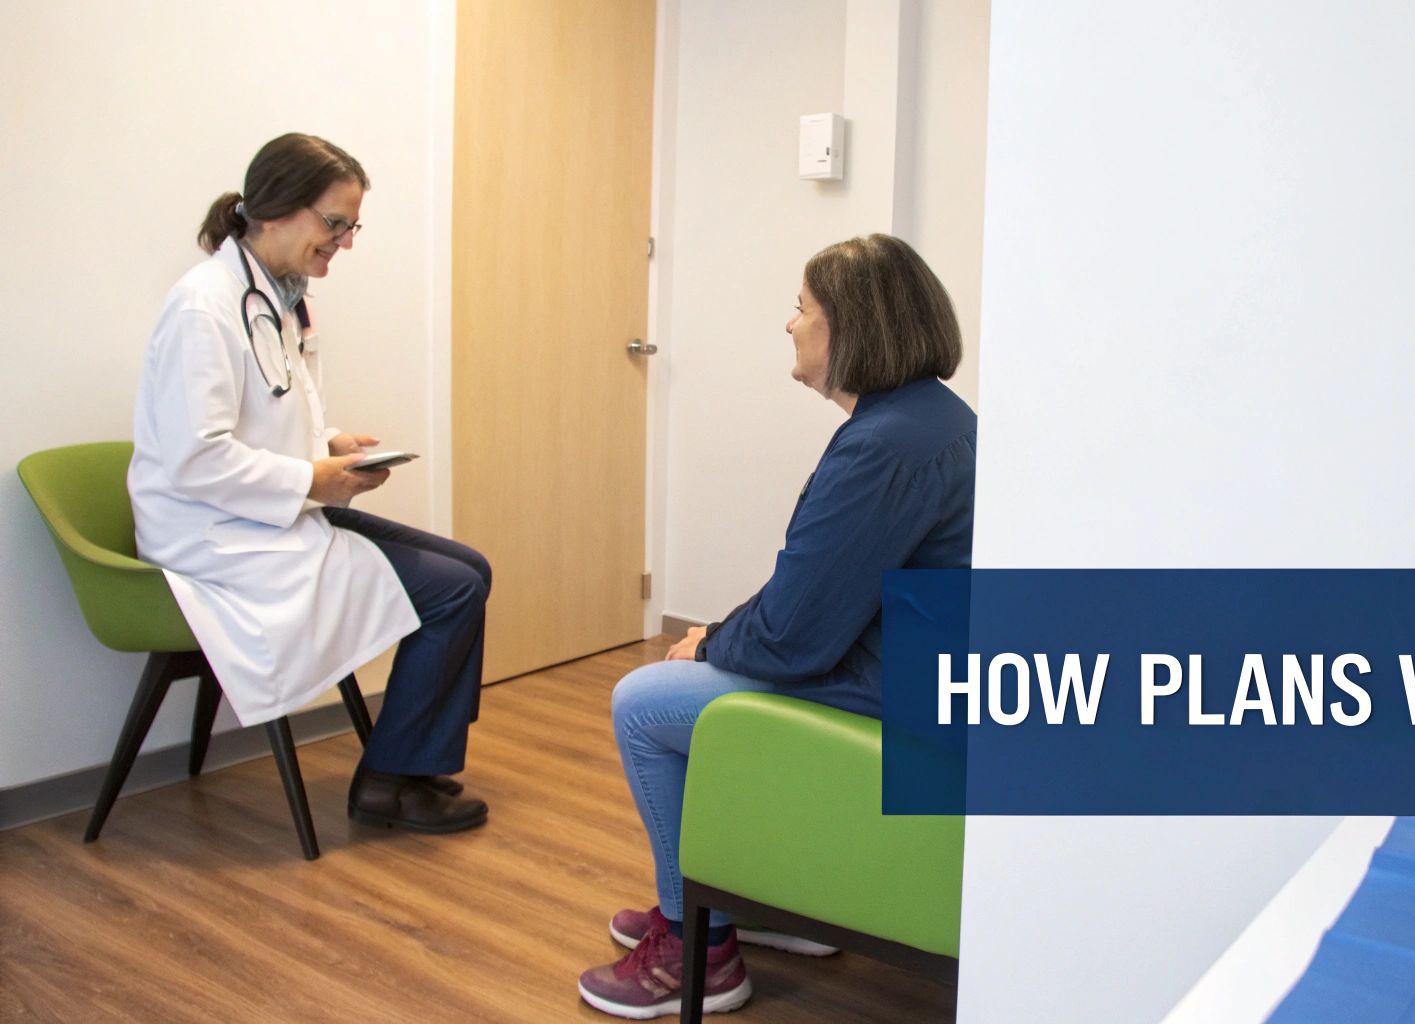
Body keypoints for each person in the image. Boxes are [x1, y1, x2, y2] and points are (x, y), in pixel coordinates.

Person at [578, 234, 977, 1018]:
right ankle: (749, 897)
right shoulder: (928, 419)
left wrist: (710, 642)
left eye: (801, 309)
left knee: (645, 703)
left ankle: (701, 947)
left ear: (850, 328)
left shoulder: (884, 449)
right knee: (698, 663)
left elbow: (796, 636)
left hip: (906, 697)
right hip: (918, 670)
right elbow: (811, 592)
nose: (789, 325)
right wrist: (723, 637)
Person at [128, 133, 491, 835]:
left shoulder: (272, 296)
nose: (345, 243)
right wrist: (314, 478)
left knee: (470, 566)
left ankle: (413, 758)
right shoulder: (203, 307)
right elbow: (195, 459)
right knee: (452, 588)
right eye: (335, 224)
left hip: (269, 510)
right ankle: (389, 782)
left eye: (351, 226)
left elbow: (265, 412)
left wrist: (329, 447)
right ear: (274, 211)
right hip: (214, 537)